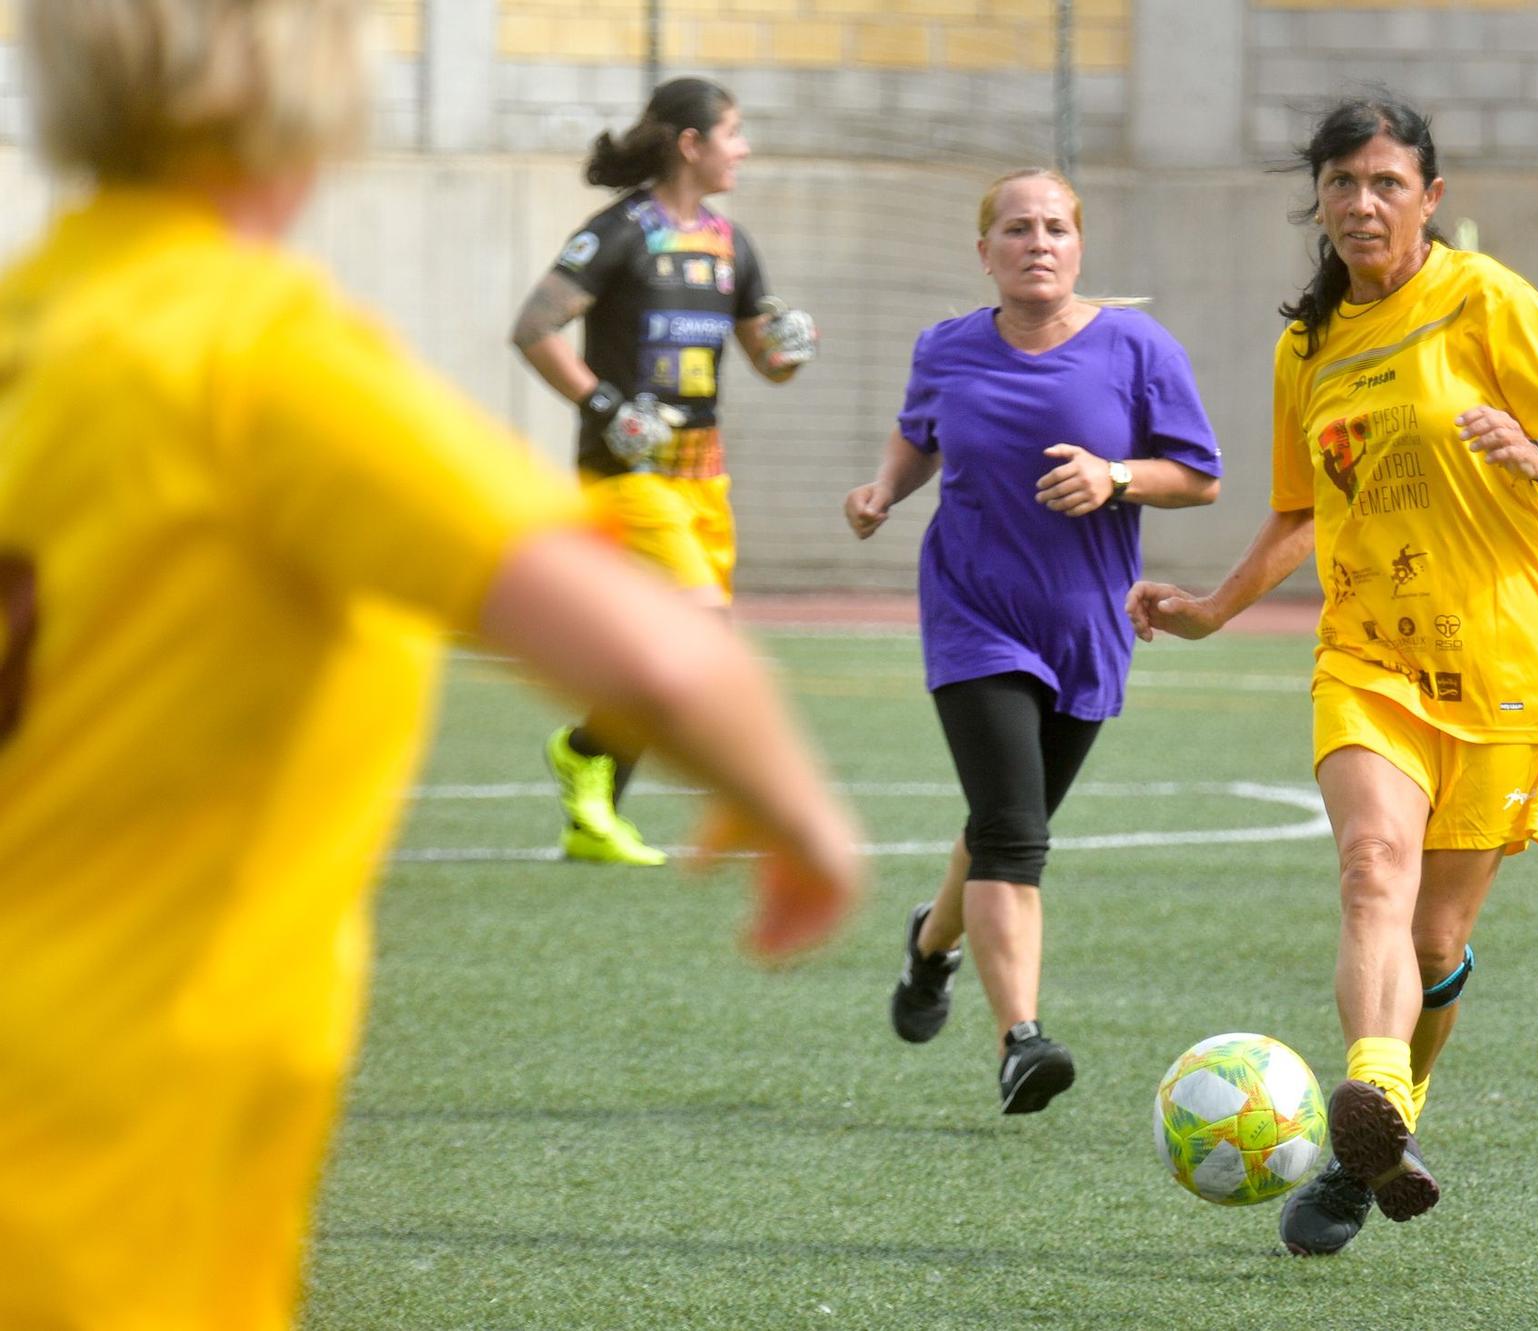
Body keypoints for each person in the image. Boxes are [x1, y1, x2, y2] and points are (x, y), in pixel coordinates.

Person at [0, 3, 859, 1326]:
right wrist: (801, 817)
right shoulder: (258, 359)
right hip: (109, 1136)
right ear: (309, 97)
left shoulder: (35, 325)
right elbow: (663, 658)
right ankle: (594, 773)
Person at [1127, 94, 1538, 1253]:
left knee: (1433, 942)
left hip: (1509, 664)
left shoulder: (1483, 298)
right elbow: (1300, 513)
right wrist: (1209, 609)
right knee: (1370, 868)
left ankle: (1368, 1153)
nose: (1362, 203)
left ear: (1429, 198)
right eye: (1343, 183)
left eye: (1386, 184)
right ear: (1315, 197)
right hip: (1367, 656)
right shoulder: (1303, 348)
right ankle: (1368, 1090)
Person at [843, 168, 1223, 1115]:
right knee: (1016, 833)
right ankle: (1022, 1038)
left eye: (1056, 227)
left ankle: (932, 942)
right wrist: (886, 487)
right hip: (972, 615)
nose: (1038, 242)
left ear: (1080, 245)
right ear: (986, 253)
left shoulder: (1137, 347)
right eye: (1017, 229)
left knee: (1000, 824)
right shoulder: (948, 347)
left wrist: (1115, 474)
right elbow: (918, 431)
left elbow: (1199, 476)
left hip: (1085, 625)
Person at [511, 75, 819, 866]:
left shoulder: (728, 244)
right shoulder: (620, 232)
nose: (744, 148)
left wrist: (788, 350)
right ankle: (727, 792)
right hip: (628, 474)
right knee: (699, 633)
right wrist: (607, 404)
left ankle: (593, 795)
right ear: (692, 144)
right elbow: (535, 327)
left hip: (704, 479)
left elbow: (764, 358)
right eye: (734, 132)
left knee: (660, 654)